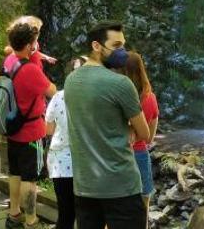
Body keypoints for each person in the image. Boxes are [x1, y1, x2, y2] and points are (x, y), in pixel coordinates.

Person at [64, 21, 150, 229]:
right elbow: (145, 133)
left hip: (85, 187)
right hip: (121, 187)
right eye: (117, 45)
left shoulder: (71, 81)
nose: (123, 52)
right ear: (96, 46)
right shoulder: (121, 84)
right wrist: (128, 130)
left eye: (123, 45)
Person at [3, 22, 56, 229]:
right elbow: (52, 90)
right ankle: (31, 220)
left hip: (12, 127)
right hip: (30, 132)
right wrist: (35, 56)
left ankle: (14, 213)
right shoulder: (31, 71)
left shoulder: (8, 61)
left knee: (15, 173)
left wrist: (33, 53)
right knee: (29, 178)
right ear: (28, 46)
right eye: (34, 43)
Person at [120, 52, 159, 219]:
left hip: (117, 154)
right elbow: (149, 138)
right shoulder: (149, 98)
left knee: (116, 204)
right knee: (143, 204)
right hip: (139, 155)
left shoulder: (115, 95)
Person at [45, 58, 82, 229]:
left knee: (66, 214)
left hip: (60, 162)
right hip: (85, 163)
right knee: (86, 214)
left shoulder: (58, 97)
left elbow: (49, 130)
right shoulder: (93, 98)